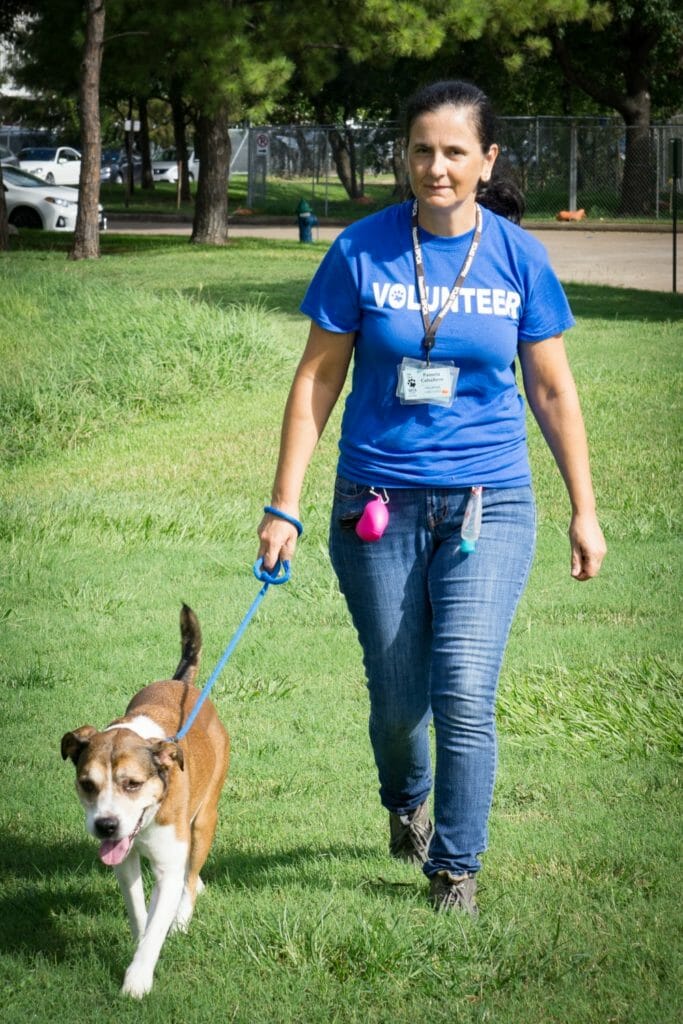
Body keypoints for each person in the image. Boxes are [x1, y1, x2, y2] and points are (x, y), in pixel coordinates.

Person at [257, 79, 606, 916]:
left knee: (463, 683)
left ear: (486, 160)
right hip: (375, 506)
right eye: (421, 150)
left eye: (454, 152)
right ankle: (403, 797)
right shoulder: (361, 251)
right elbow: (318, 379)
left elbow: (552, 392)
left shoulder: (519, 256)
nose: (435, 167)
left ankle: (455, 869)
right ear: (404, 156)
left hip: (490, 504)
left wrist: (582, 507)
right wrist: (284, 504)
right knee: (396, 698)